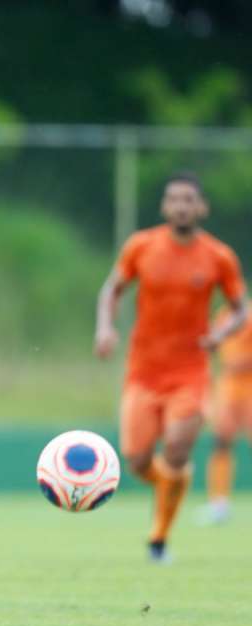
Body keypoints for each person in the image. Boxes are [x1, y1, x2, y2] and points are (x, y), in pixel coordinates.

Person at [95, 172, 246, 563]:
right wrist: (106, 328)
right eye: (174, 199)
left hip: (190, 373)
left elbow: (240, 309)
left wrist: (221, 335)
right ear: (165, 206)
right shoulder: (141, 246)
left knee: (178, 447)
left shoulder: (218, 256)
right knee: (137, 460)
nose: (181, 206)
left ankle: (159, 538)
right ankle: (172, 484)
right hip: (143, 374)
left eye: (189, 200)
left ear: (201, 208)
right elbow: (112, 288)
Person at [201, 298, 252, 524]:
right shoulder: (222, 314)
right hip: (228, 383)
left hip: (249, 384)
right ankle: (219, 503)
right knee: (221, 441)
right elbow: (212, 345)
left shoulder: (248, 315)